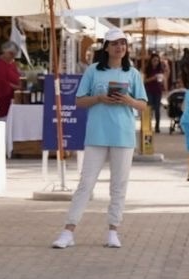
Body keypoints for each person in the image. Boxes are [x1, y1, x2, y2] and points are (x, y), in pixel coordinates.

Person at [50, 29, 148, 250]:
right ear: (106, 47)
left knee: (118, 185)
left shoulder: (132, 73)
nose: (119, 47)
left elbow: (143, 105)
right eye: (115, 44)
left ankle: (113, 230)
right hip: (96, 134)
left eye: (123, 43)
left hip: (123, 136)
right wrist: (100, 98)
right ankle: (68, 230)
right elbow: (79, 101)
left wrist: (128, 100)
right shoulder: (93, 71)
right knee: (86, 183)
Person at [0, 42, 21, 122]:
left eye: (14, 54)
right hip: (0, 101)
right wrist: (17, 87)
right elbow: (1, 83)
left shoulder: (12, 63)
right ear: (5, 52)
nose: (12, 56)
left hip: (10, 101)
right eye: (11, 54)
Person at [145, 52, 168, 133]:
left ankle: (157, 127)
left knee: (157, 109)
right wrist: (153, 78)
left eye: (157, 61)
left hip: (158, 91)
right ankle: (148, 126)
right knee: (149, 108)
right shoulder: (147, 69)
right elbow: (144, 81)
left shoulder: (160, 70)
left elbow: (164, 79)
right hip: (149, 90)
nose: (156, 62)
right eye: (154, 60)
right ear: (151, 60)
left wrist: (165, 87)